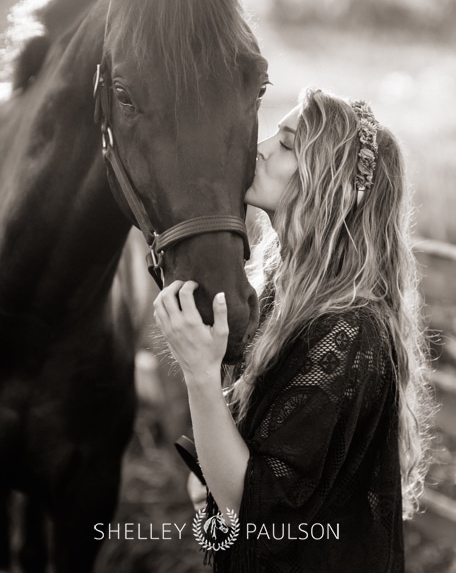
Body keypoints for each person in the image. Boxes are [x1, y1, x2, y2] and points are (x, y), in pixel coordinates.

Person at [153, 87, 433, 573]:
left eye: (286, 144)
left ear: (330, 185)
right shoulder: (282, 295)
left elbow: (256, 508)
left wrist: (199, 373)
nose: (258, 148)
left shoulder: (348, 334)